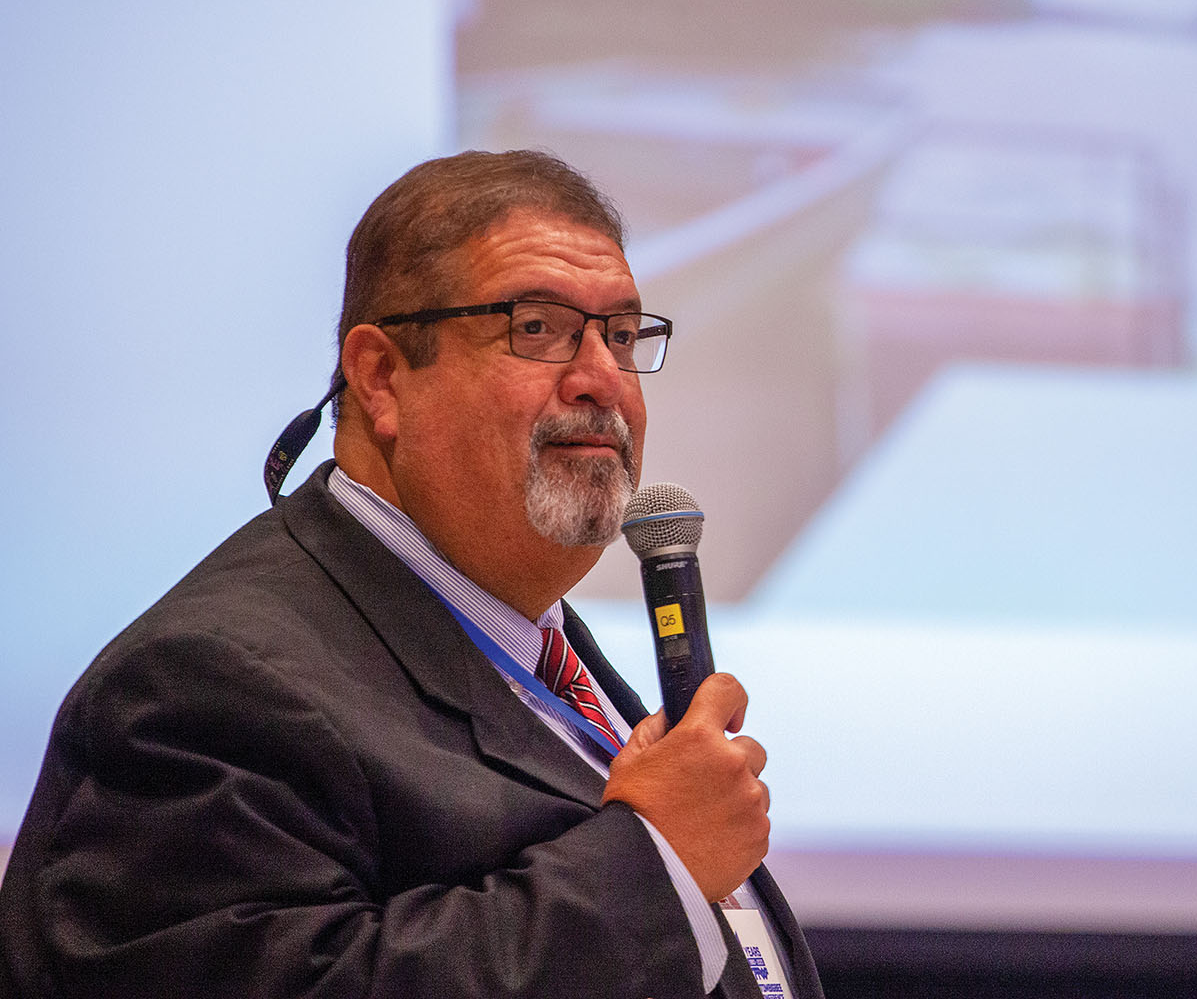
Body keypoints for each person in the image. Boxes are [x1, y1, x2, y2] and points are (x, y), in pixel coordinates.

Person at [0, 150, 823, 999]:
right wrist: (654, 865)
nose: (601, 380)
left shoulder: (528, 639)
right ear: (384, 378)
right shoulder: (207, 687)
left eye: (620, 334)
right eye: (537, 329)